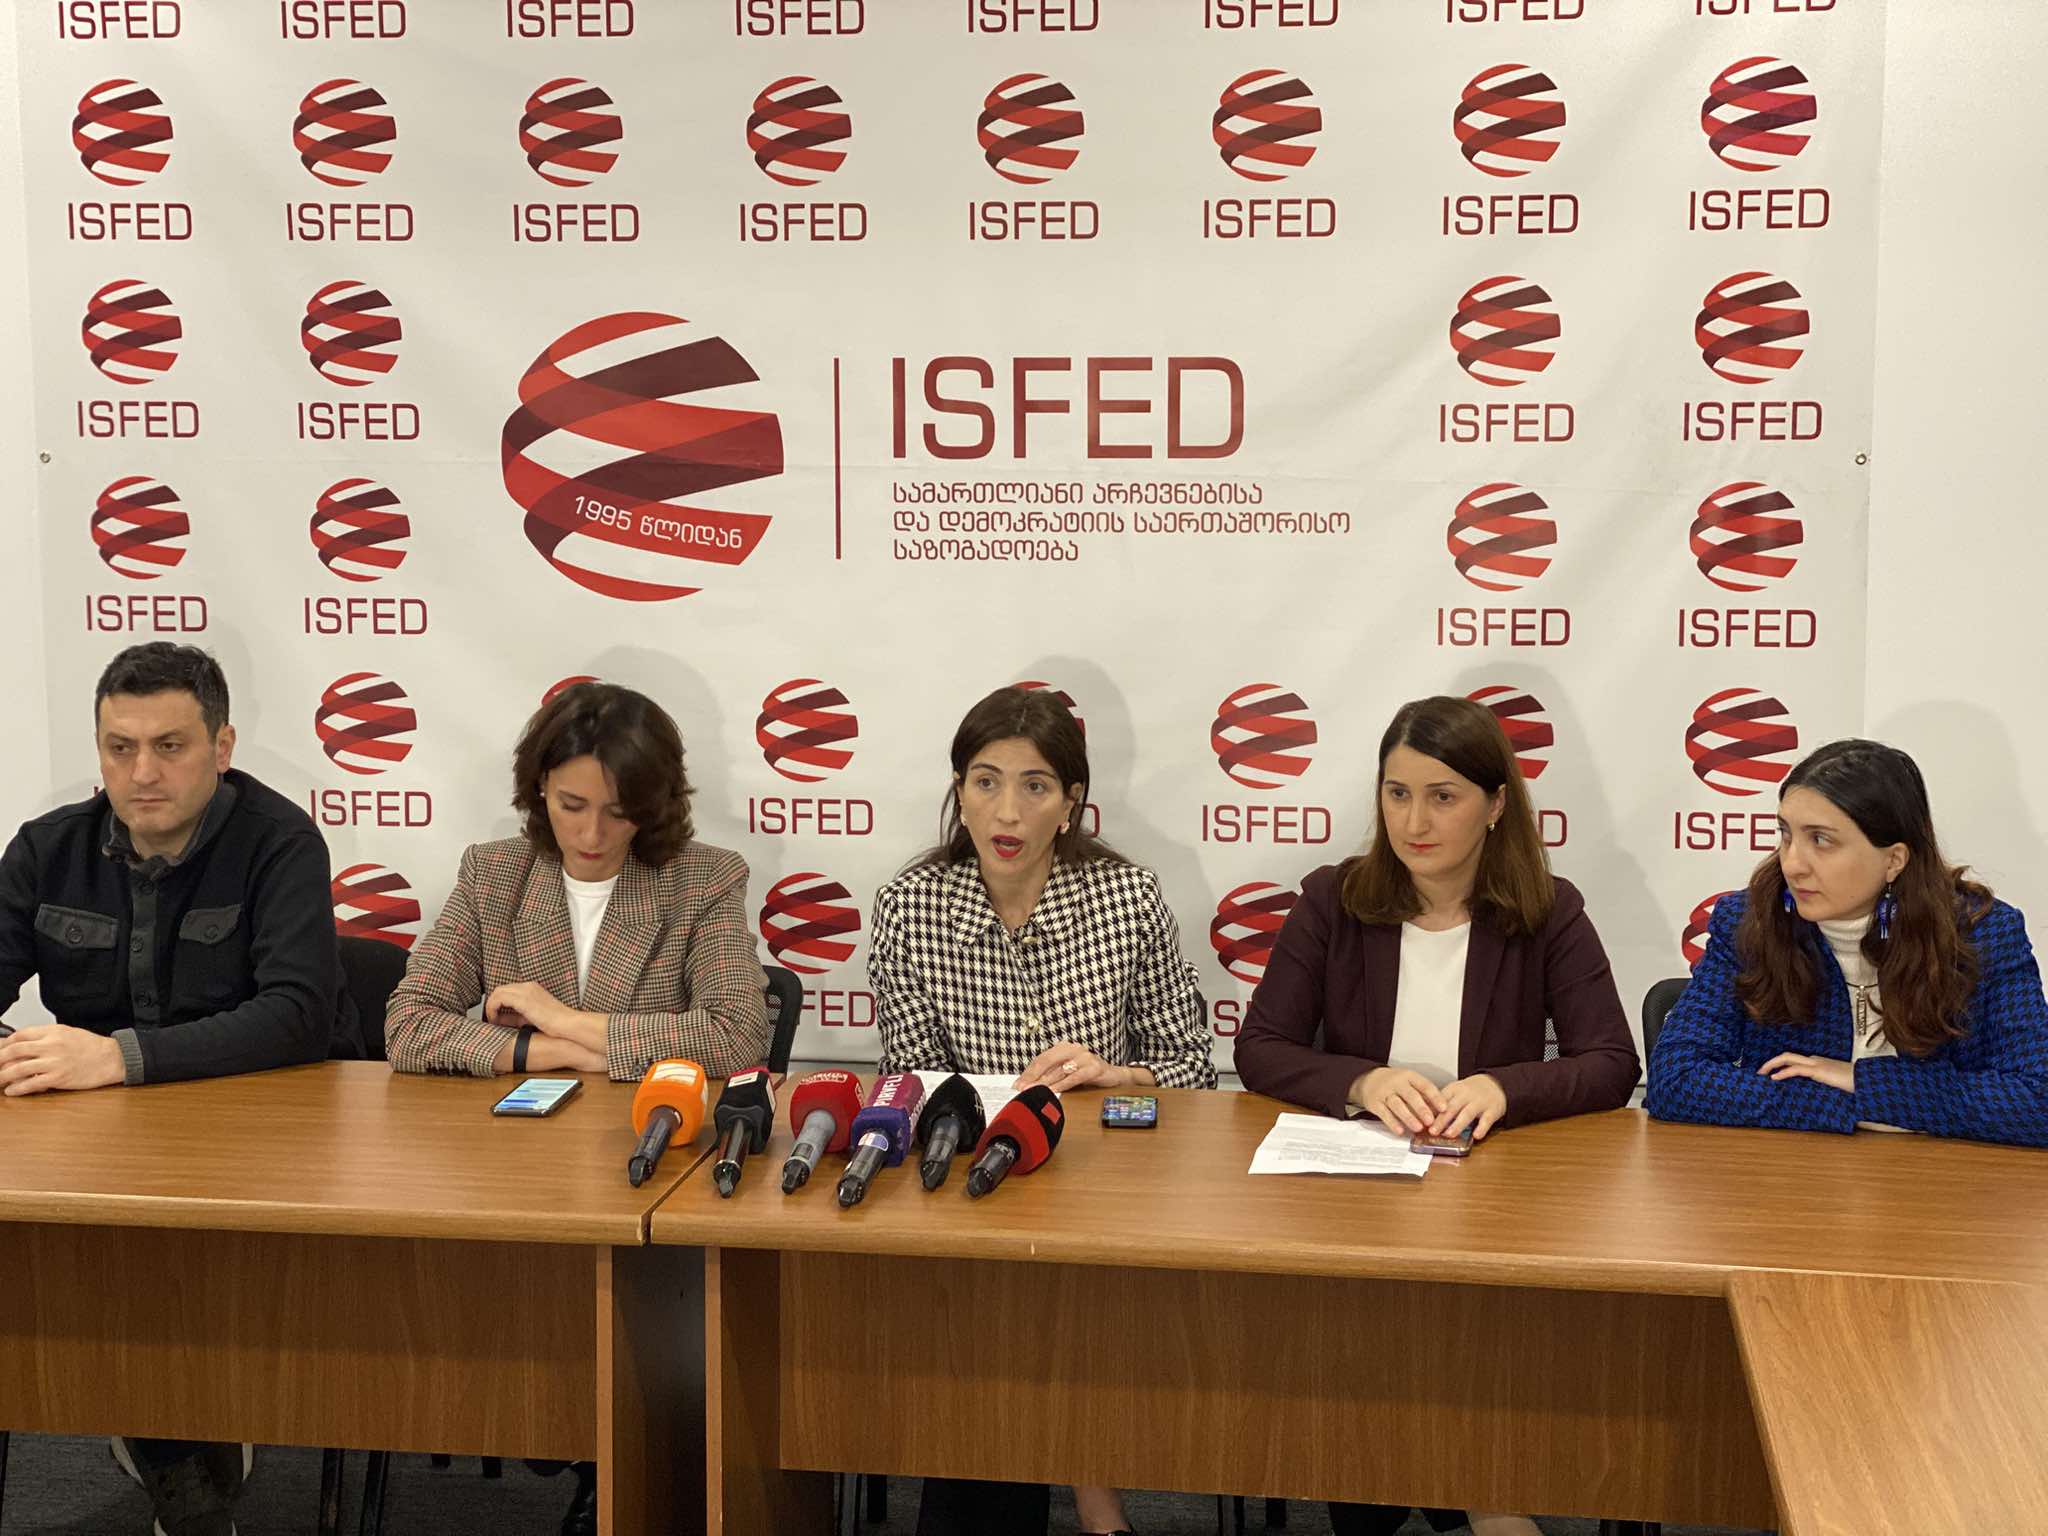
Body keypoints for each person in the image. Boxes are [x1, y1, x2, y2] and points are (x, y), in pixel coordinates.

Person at [1235, 694, 1639, 1536]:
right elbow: (1262, 1047)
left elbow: (1610, 1061)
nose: (1413, 822)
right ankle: (1467, 1500)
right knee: (1372, 1333)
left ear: (1495, 806)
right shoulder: (1333, 898)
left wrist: (1504, 1089)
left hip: (1489, 1203)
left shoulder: (1549, 909)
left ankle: (1465, 1495)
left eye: (1442, 797)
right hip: (1357, 1198)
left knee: (1453, 1340)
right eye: (1397, 794)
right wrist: (1361, 1081)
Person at [386, 681, 769, 1536]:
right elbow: (408, 1025)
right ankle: (570, 1440)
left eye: (619, 812)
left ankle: (628, 1464)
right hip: (516, 1182)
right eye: (572, 806)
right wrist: (548, 1051)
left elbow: (737, 1033)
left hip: (657, 1178)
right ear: (539, 789)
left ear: (654, 806)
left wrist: (560, 1017)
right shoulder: (494, 874)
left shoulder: (704, 878)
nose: (593, 834)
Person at [0, 642, 358, 1536]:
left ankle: (178, 1445)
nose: (142, 773)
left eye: (170, 746)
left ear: (222, 746)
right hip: (96, 1150)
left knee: (160, 1278)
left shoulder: (279, 843)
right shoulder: (47, 849)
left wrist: (117, 1058)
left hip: (264, 1143)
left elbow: (298, 1016)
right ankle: (175, 1445)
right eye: (120, 748)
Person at [869, 684, 1214, 1536]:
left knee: (1059, 1305)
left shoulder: (1126, 899)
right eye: (985, 782)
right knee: (993, 1312)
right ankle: (1090, 1497)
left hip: (1102, 1192)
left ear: (1071, 803)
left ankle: (1089, 1489)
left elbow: (1194, 1071)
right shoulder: (910, 907)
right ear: (959, 793)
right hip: (969, 1190)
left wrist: (1113, 1074)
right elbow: (909, 1079)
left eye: (1035, 786)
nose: (1007, 811)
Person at [1647, 738, 2048, 1144]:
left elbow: (2039, 1099)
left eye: (1821, 840)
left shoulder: (1982, 933)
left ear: (1893, 860)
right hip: (1790, 1174)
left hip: (1940, 1177)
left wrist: (1863, 1081)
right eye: (1786, 834)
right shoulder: (1750, 921)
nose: (1792, 864)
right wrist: (1845, 1104)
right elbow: (1675, 1078)